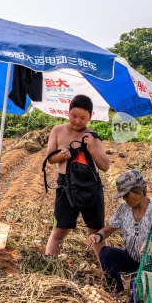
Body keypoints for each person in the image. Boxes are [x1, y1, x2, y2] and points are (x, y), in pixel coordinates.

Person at [45, 94, 110, 256]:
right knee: (59, 231)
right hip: (65, 186)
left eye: (83, 118)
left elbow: (105, 166)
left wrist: (92, 149)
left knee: (96, 231)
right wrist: (61, 156)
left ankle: (107, 271)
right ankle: (49, 268)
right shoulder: (58, 131)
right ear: (68, 113)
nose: (77, 121)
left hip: (89, 186)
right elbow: (50, 159)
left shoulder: (92, 136)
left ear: (90, 117)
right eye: (73, 116)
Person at [88, 169, 152, 292]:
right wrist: (99, 236)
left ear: (140, 189)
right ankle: (118, 292)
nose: (125, 199)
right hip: (131, 258)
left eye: (127, 194)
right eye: (123, 196)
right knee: (106, 253)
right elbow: (108, 229)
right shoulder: (124, 208)